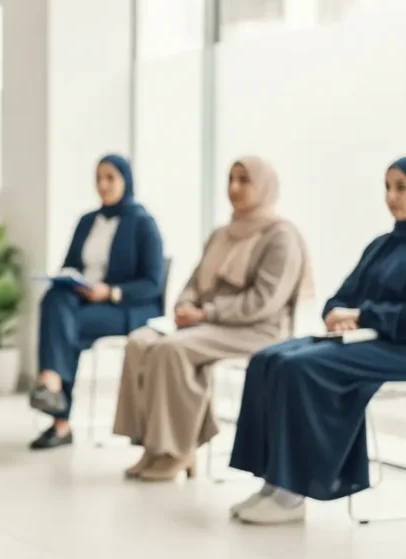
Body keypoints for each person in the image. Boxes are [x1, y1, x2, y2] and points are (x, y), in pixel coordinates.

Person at [227, 155, 406, 525]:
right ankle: (272, 482)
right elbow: (343, 295)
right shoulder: (383, 244)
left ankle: (292, 494)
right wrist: (337, 313)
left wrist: (362, 316)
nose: (391, 196)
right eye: (387, 187)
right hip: (366, 341)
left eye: (402, 187)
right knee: (267, 358)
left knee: (297, 367)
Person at [111, 156, 314, 481]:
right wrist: (185, 306)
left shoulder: (281, 237)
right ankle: (152, 445)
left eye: (244, 180)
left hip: (258, 330)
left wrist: (206, 313)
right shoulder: (222, 233)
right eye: (231, 179)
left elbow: (263, 302)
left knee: (171, 350)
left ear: (263, 186)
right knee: (139, 341)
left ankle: (177, 449)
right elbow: (194, 282)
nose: (234, 188)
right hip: (207, 325)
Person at [28, 154, 166, 450]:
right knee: (55, 299)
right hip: (82, 301)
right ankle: (54, 393)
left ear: (125, 180)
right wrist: (73, 283)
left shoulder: (143, 223)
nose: (103, 185)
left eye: (110, 178)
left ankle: (58, 413)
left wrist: (111, 292)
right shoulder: (87, 221)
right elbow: (69, 266)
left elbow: (153, 284)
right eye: (99, 178)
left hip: (124, 307)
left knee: (65, 325)